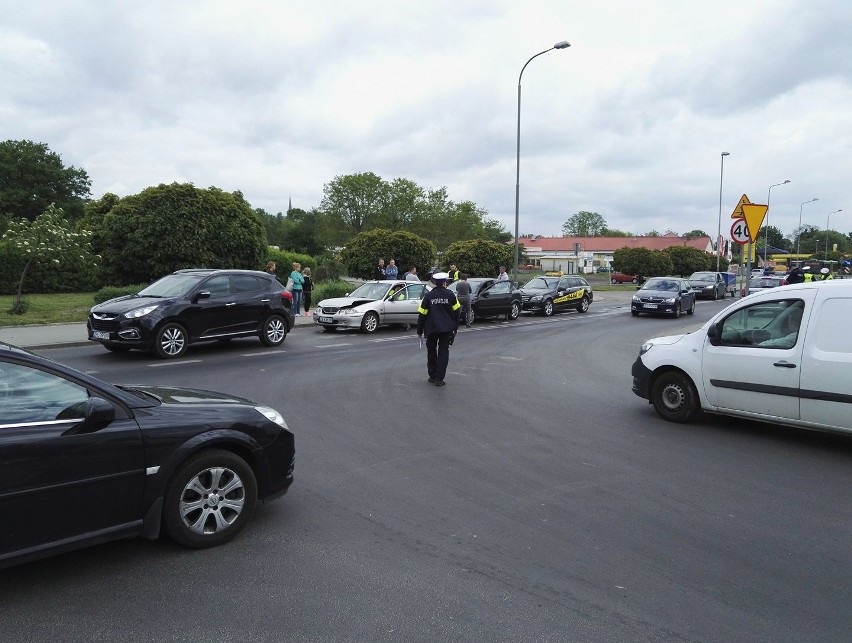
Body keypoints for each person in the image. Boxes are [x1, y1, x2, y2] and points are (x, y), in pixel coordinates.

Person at [417, 272, 460, 386]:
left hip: (431, 329)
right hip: (446, 329)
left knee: (431, 352)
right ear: (445, 282)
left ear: (435, 282)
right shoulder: (451, 295)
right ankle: (439, 379)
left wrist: (419, 331)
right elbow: (457, 312)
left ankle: (432, 375)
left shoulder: (428, 296)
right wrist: (455, 328)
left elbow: (422, 314)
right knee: (443, 352)